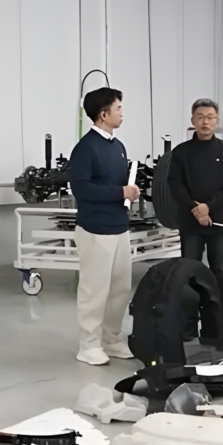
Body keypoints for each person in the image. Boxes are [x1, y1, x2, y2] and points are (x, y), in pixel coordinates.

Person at [69, 87, 140, 365]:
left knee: (120, 289)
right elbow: (82, 189)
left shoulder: (118, 147)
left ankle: (112, 339)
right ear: (103, 114)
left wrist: (130, 192)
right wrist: (121, 192)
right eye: (118, 108)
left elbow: (117, 185)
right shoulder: (85, 148)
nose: (122, 112)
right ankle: (88, 345)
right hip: (95, 230)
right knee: (94, 290)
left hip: (119, 227)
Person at [167, 99, 223, 344]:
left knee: (219, 273)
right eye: (200, 117)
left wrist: (209, 207)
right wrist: (196, 209)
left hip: (219, 223)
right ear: (193, 121)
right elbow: (175, 184)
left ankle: (218, 324)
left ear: (217, 120)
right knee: (189, 274)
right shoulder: (181, 152)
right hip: (191, 223)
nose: (205, 122)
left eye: (210, 117)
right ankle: (188, 326)